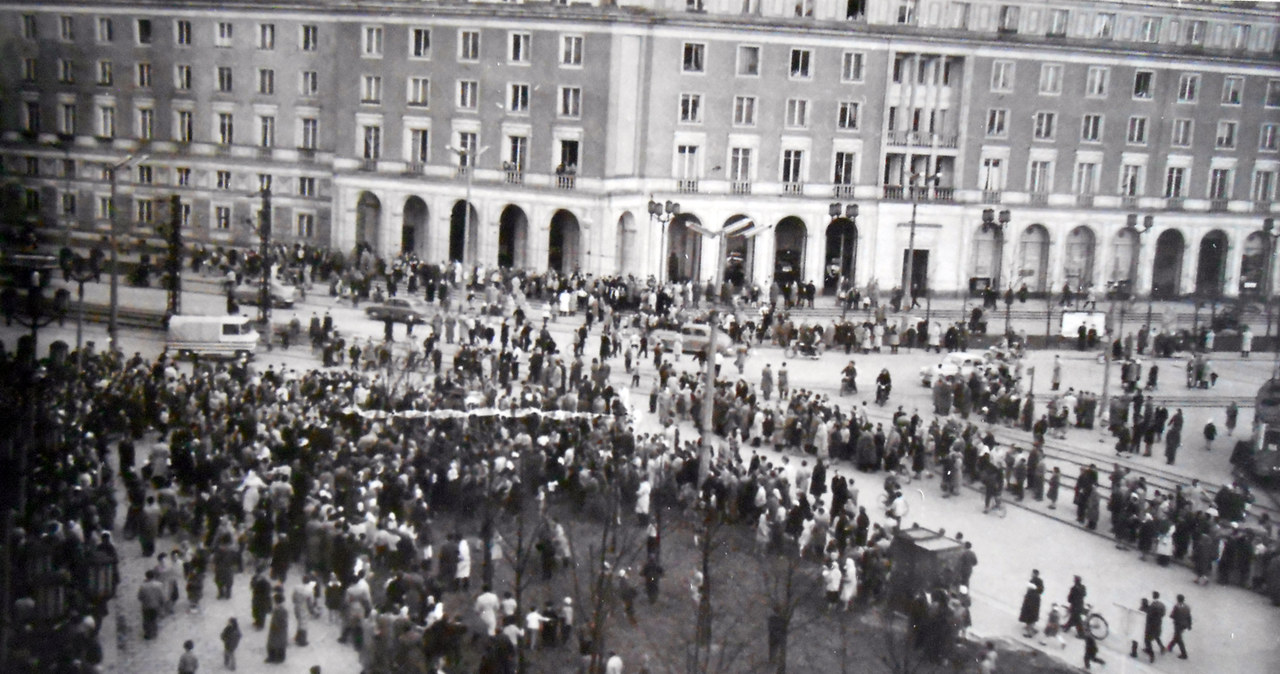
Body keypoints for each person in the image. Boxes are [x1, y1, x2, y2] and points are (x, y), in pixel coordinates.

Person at [138, 569, 166, 640]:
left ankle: (148, 633)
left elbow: (140, 597)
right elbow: (162, 596)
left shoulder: (143, 586)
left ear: (146, 577)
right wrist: (162, 604)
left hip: (146, 606)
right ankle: (154, 632)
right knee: (154, 619)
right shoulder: (159, 585)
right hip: (156, 606)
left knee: (146, 620)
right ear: (154, 576)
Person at [1141, 591, 1166, 663]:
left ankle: (1151, 655)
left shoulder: (1152, 606)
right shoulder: (1162, 605)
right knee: (1156, 636)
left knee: (1147, 640)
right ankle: (1162, 647)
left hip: (1151, 625)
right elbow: (1163, 614)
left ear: (1153, 596)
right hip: (1158, 624)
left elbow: (1149, 615)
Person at [1018, 570, 1044, 638]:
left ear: (1035, 574)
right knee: (1032, 615)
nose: (1031, 574)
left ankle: (1030, 633)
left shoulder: (1034, 581)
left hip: (1031, 600)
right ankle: (1030, 627)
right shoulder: (1038, 581)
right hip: (1034, 599)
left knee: (1030, 615)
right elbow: (1041, 591)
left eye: (1032, 573)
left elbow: (1036, 590)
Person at [266, 594, 289, 663]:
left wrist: (276, 626)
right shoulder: (280, 609)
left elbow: (282, 621)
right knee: (279, 643)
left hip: (277, 629)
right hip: (279, 630)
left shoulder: (280, 609)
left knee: (274, 643)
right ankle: (279, 657)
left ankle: (274, 657)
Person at [1167, 594, 1192, 660]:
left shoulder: (1177, 606)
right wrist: (1189, 625)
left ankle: (1184, 654)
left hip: (1178, 624)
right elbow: (1189, 617)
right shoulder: (1187, 607)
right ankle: (1170, 647)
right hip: (1184, 625)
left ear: (1178, 599)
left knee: (1179, 639)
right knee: (1177, 636)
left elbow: (1172, 615)